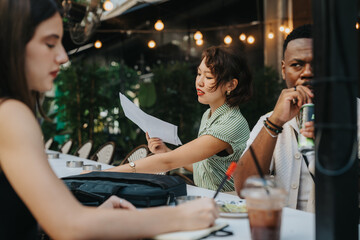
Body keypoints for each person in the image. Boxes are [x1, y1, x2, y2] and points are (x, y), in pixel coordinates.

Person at [0, 0, 218, 239]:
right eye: (50, 44)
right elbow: (69, 227)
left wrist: (95, 218)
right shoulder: (11, 113)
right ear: (13, 44)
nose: (63, 57)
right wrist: (181, 217)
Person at [106, 45, 252, 192]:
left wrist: (105, 174)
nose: (199, 82)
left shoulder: (232, 123)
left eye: (208, 77)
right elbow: (201, 167)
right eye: (199, 73)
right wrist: (165, 150)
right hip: (207, 196)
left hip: (229, 203)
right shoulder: (208, 115)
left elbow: (168, 162)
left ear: (231, 85)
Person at [233, 24, 316, 212]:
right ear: (283, 69)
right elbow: (244, 188)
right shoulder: (270, 119)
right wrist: (274, 123)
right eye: (297, 65)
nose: (308, 72)